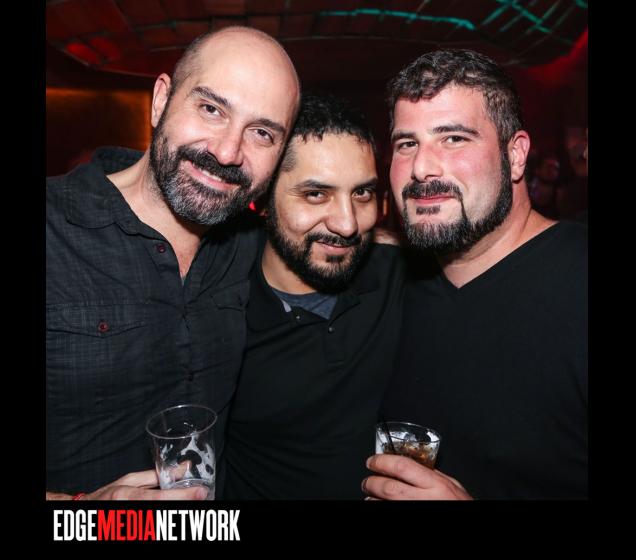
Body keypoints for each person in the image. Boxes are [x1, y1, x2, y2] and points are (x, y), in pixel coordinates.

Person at [46, 26, 300, 500]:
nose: (227, 152)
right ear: (161, 99)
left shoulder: (249, 245)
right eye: (211, 109)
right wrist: (80, 511)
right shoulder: (53, 229)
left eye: (262, 133)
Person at [363, 49, 587, 500]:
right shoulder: (388, 283)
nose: (422, 168)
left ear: (516, 155)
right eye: (407, 144)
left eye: (453, 138)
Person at [220, 94, 405, 499]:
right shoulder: (218, 312)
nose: (347, 224)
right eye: (316, 194)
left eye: (362, 194)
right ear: (262, 200)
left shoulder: (403, 278)